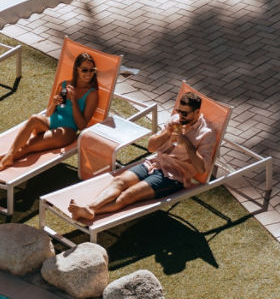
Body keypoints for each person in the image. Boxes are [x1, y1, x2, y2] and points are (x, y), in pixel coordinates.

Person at [68, 91, 216, 224]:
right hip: (154, 164)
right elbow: (151, 147)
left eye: (185, 113)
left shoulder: (206, 134)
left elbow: (202, 168)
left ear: (197, 113)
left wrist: (187, 143)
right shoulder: (175, 120)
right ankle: (89, 208)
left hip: (174, 175)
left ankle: (90, 210)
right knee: (119, 181)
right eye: (179, 111)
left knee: (128, 195)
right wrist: (167, 132)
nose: (180, 115)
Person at [0, 52, 99, 172]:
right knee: (34, 118)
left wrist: (74, 100)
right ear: (77, 69)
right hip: (50, 123)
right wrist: (54, 103)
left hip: (66, 131)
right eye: (85, 70)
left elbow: (82, 126)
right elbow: (49, 113)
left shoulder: (92, 94)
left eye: (92, 70)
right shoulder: (64, 84)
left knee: (28, 146)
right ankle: (2, 157)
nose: (89, 73)